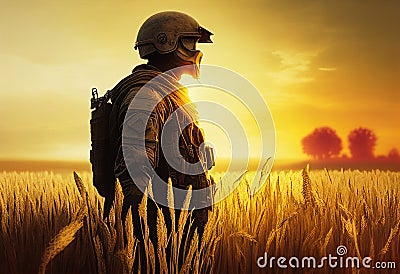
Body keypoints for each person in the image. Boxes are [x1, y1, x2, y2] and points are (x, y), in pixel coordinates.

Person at [108, 11, 214, 271]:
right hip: (160, 239)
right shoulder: (146, 95)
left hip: (177, 233)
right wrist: (146, 242)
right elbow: (136, 172)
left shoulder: (167, 91)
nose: (196, 51)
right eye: (190, 42)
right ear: (167, 43)